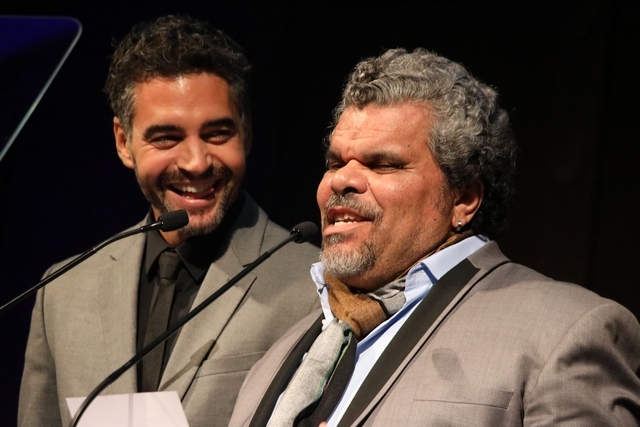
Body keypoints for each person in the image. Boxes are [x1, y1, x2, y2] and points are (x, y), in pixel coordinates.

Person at [228, 48, 640, 427]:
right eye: (335, 162)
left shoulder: (564, 330)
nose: (342, 180)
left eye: (383, 164)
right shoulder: (280, 354)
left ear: (463, 199)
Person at [18, 15, 319, 427]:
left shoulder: (313, 287)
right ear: (124, 142)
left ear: (246, 132)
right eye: (166, 138)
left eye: (217, 133)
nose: (196, 162)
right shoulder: (62, 291)